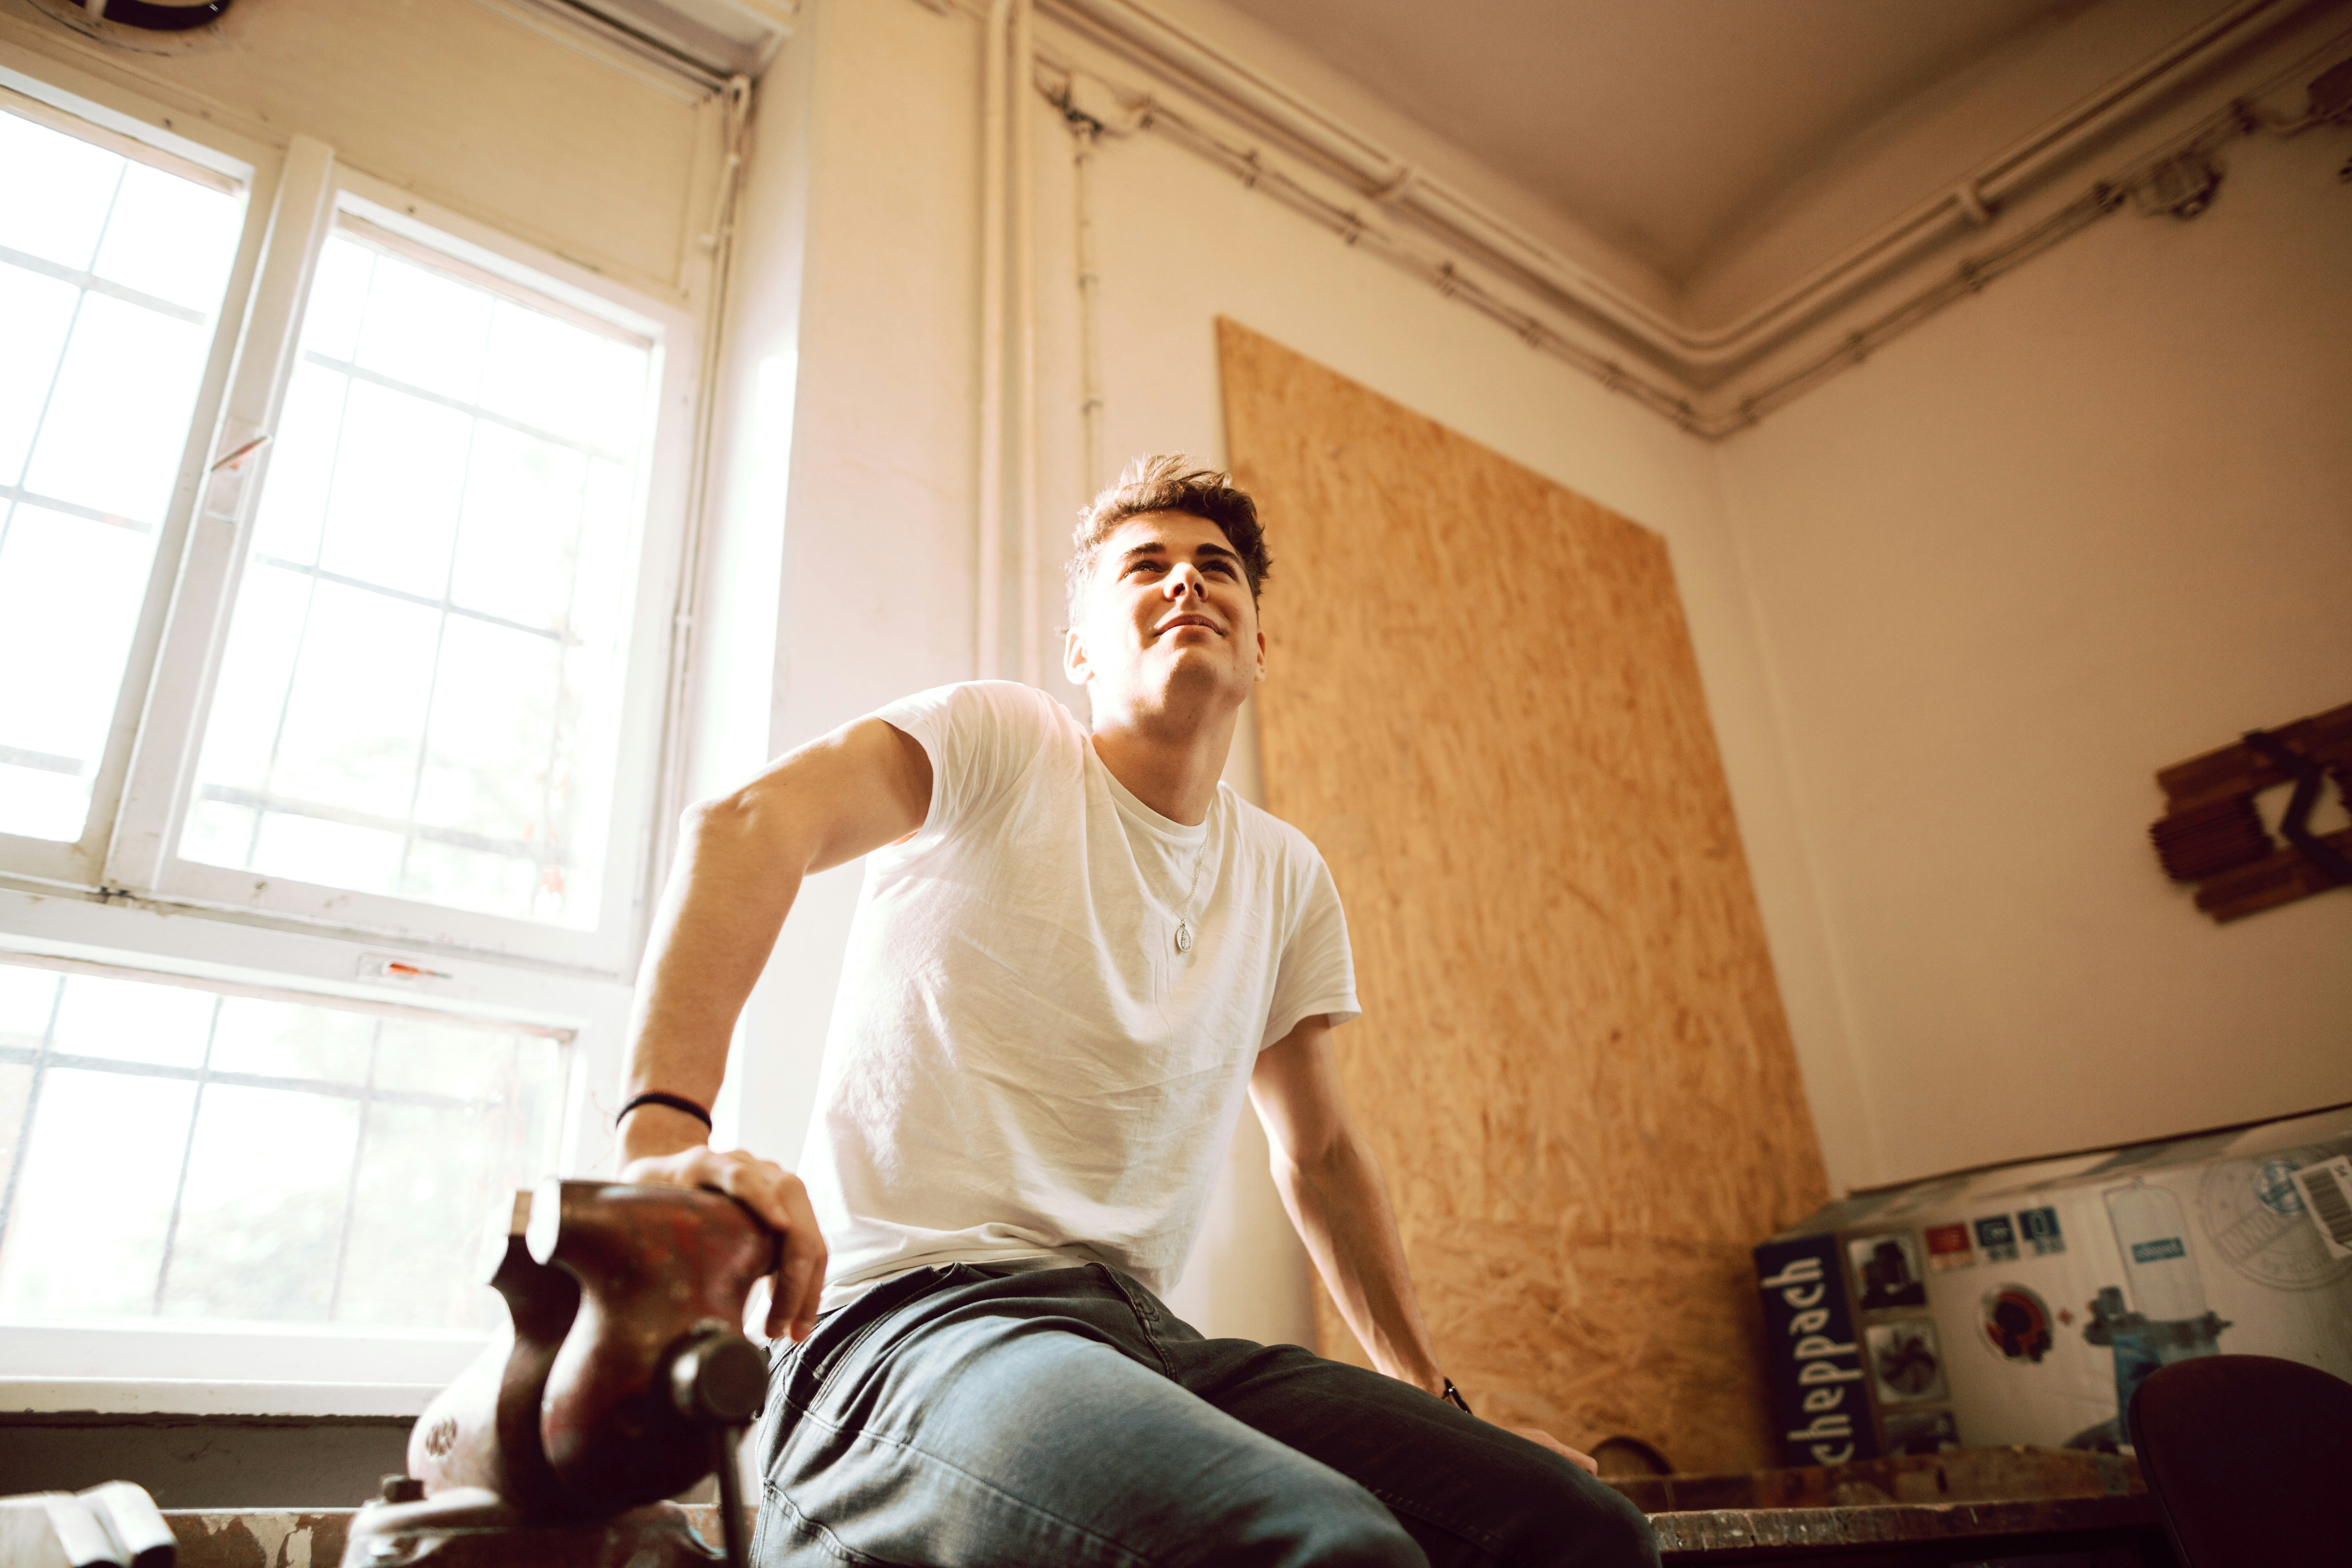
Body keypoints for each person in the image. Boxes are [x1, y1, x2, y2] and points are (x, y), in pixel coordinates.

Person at [617, 456, 1659, 1567]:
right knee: (1330, 1546)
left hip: (1142, 1341)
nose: (1185, 584)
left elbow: (1323, 1154)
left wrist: (1430, 1394)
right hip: (904, 1335)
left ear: (1258, 647)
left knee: (1583, 1530)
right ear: (1080, 651)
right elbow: (744, 825)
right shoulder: (999, 741)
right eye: (1144, 567)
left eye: (1217, 569)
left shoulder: (1283, 873)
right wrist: (658, 1147)